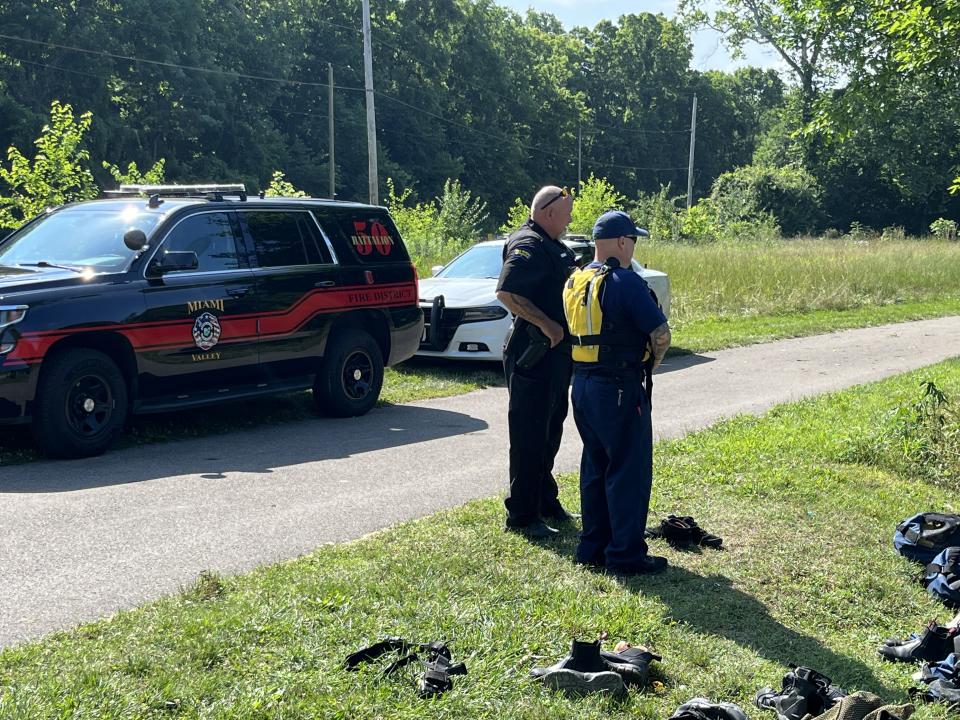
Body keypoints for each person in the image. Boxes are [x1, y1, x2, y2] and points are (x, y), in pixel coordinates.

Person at [563, 210, 671, 574]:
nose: (633, 247)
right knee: (628, 470)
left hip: (581, 385)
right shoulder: (625, 281)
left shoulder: (576, 280)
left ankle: (592, 547)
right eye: (633, 240)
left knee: (596, 465)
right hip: (619, 387)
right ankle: (625, 556)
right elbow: (661, 333)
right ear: (623, 241)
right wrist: (650, 366)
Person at [496, 185, 579, 539]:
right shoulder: (528, 243)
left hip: (555, 355)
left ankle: (545, 500)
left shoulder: (551, 244)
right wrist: (545, 324)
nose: (571, 217)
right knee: (530, 435)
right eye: (567, 211)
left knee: (550, 430)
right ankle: (523, 515)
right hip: (534, 353)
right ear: (548, 212)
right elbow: (506, 292)